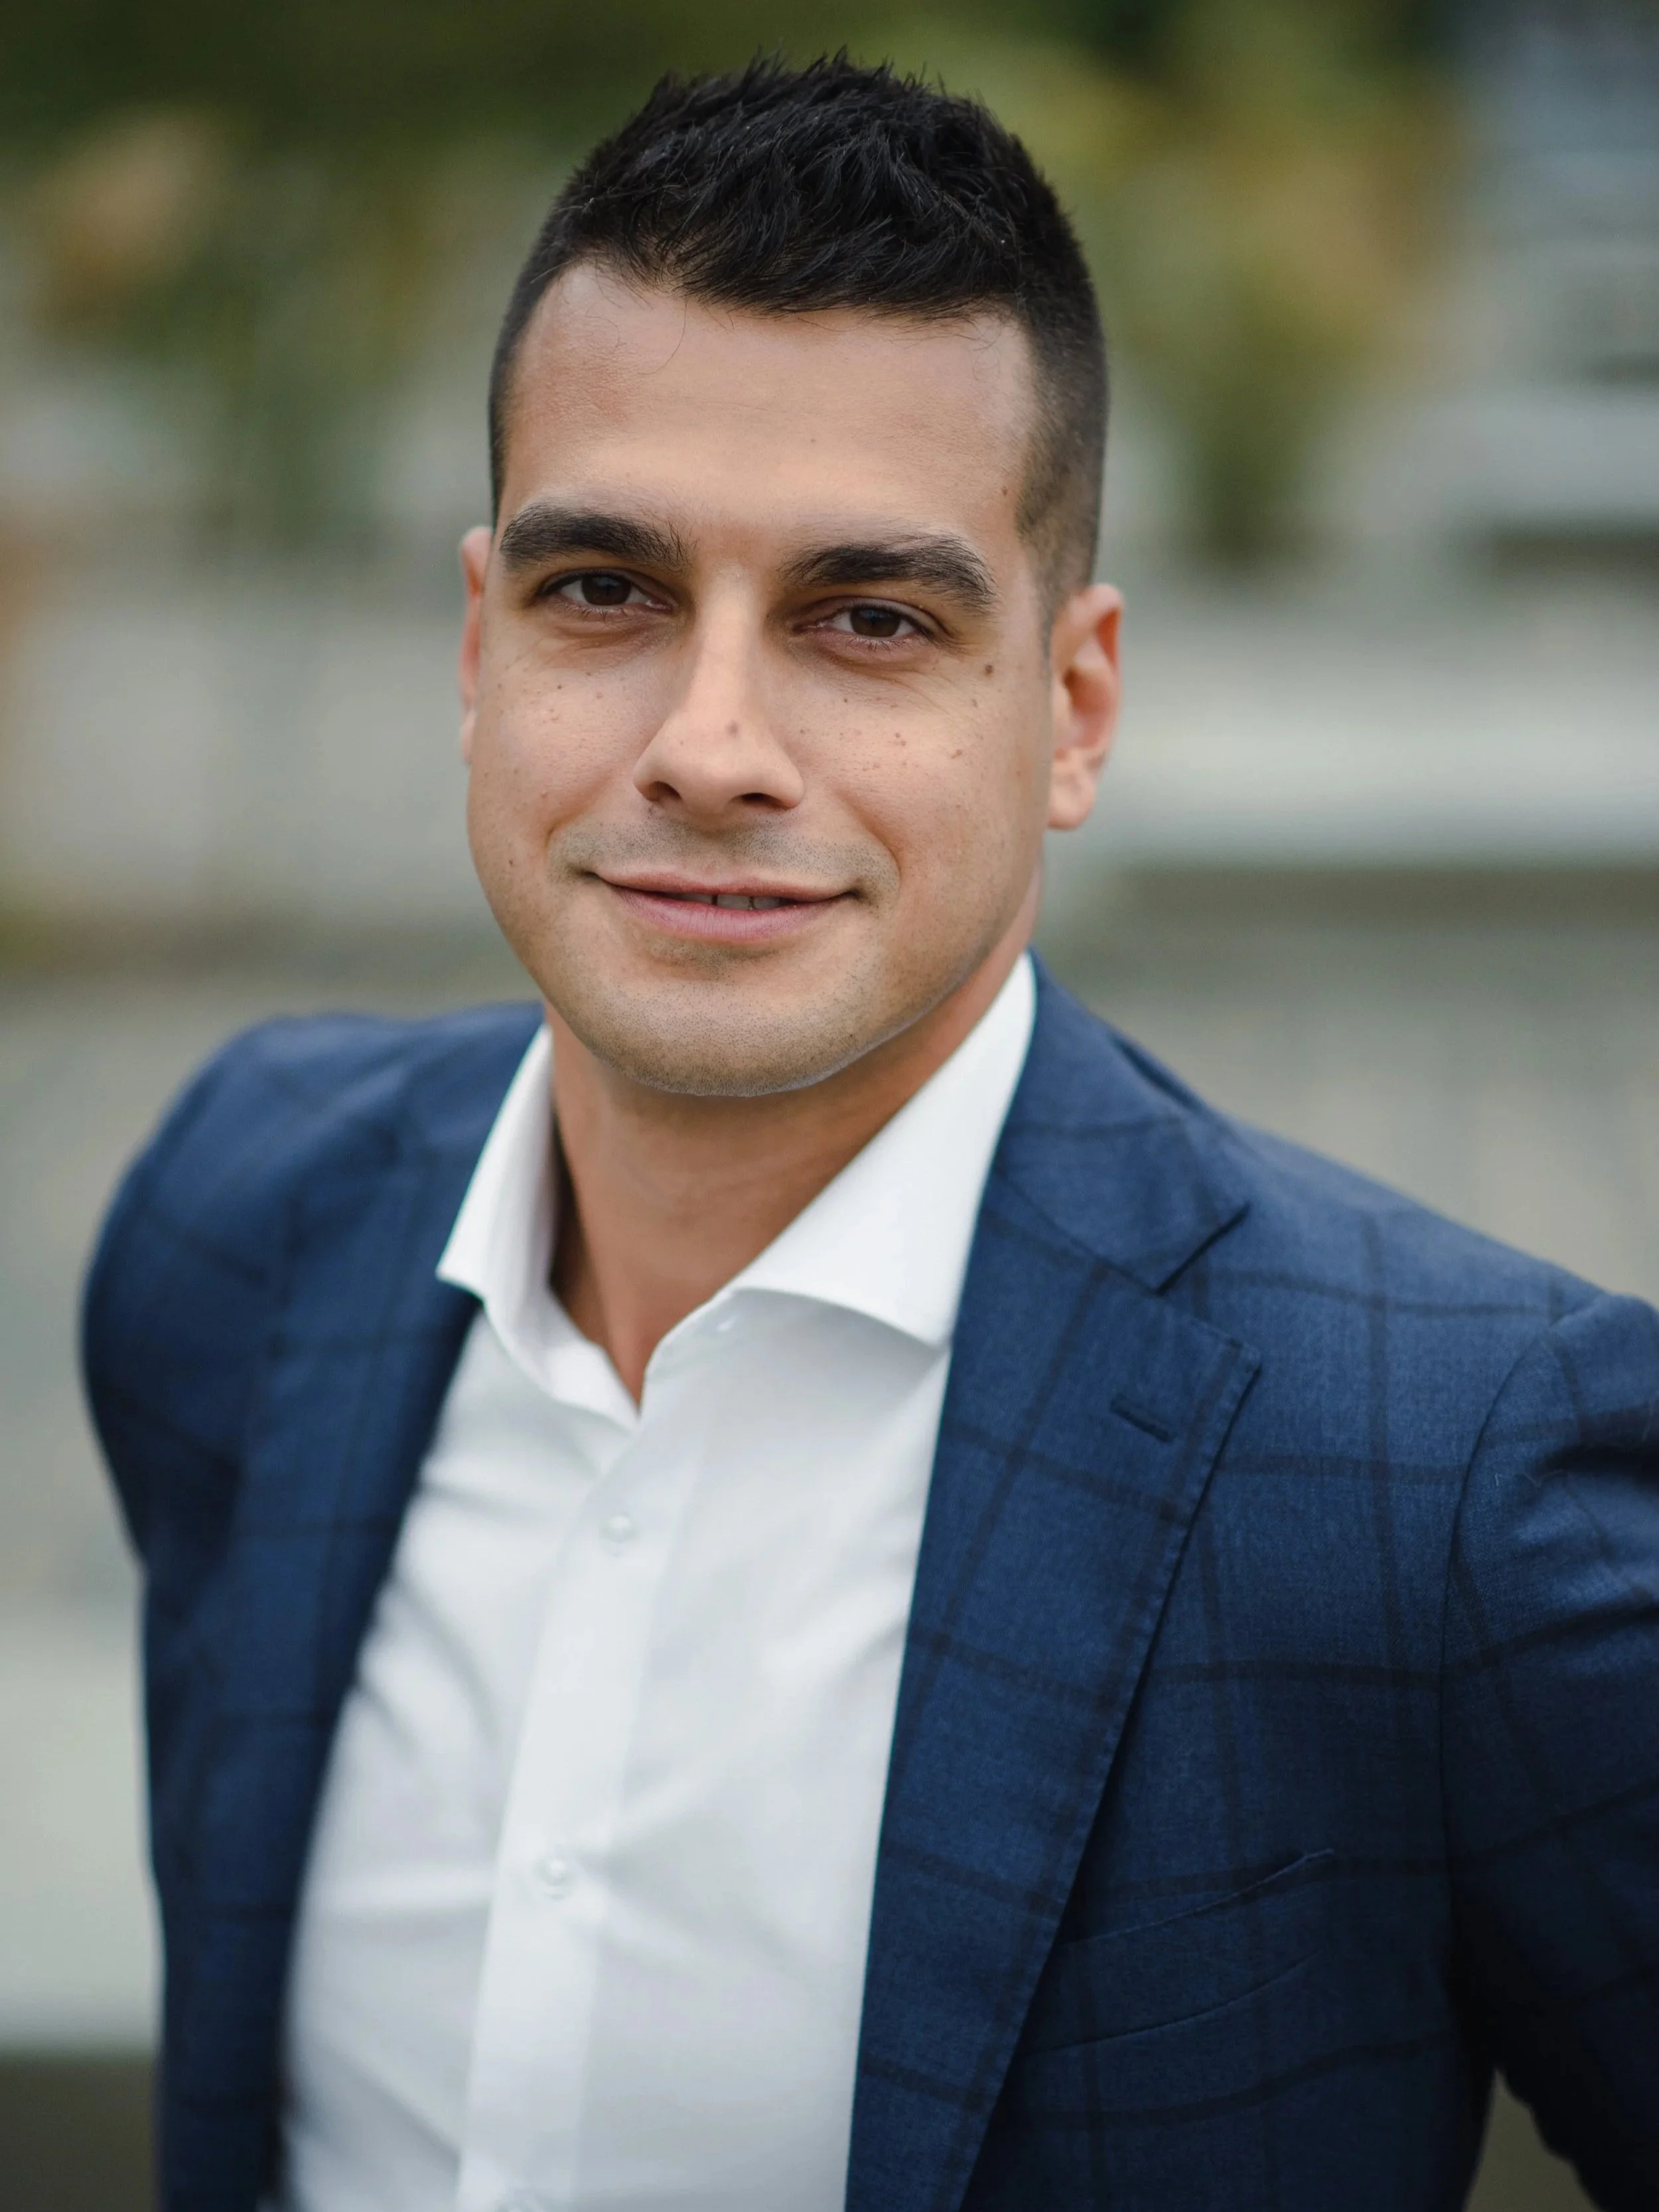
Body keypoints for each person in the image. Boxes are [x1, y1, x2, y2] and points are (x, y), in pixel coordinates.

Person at [82, 54, 1658, 2212]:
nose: (709, 745)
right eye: (604, 590)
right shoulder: (237, 1221)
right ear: (476, 644)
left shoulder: (1442, 1474)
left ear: (1071, 707)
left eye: (869, 620)